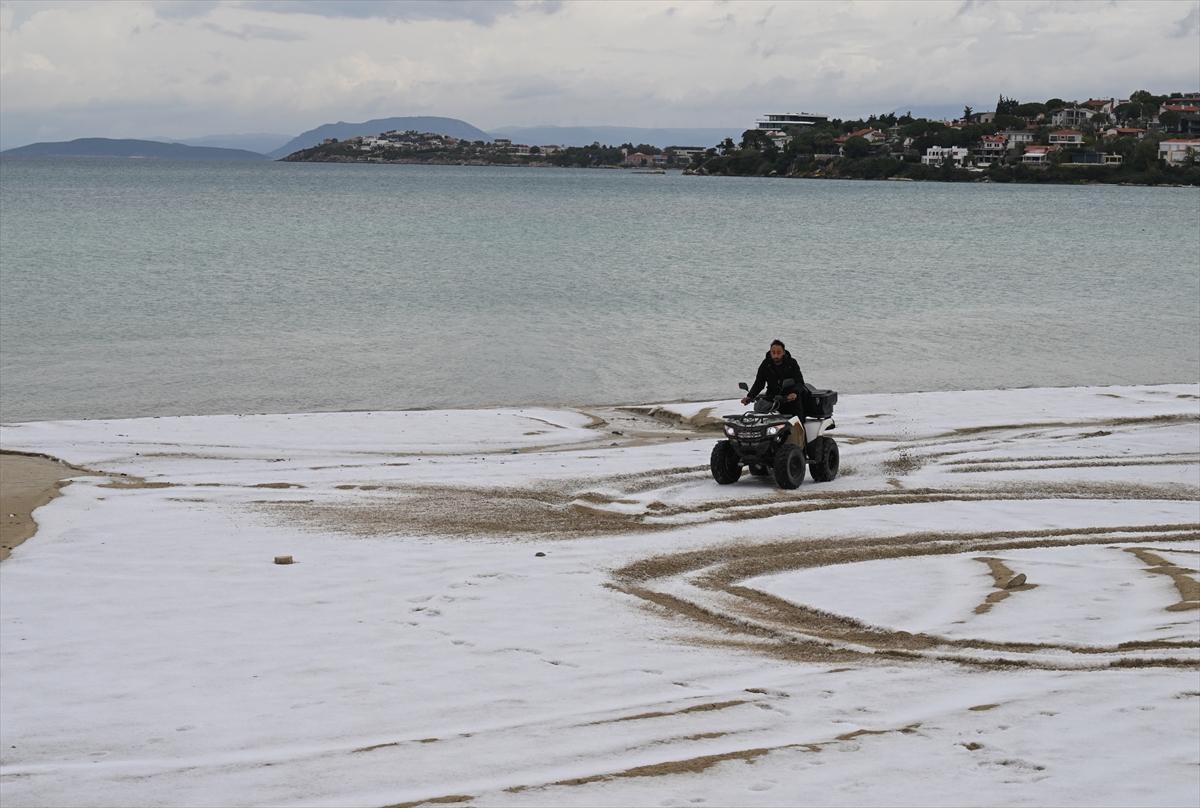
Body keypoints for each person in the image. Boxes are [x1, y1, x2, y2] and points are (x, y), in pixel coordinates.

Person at [741, 339, 807, 417]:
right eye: (773, 352)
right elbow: (759, 383)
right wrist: (750, 396)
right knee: (758, 418)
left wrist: (794, 393)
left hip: (790, 399)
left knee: (798, 421)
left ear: (783, 352)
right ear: (770, 352)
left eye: (778, 353)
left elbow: (799, 381)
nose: (776, 356)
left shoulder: (791, 363)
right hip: (772, 399)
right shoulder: (766, 364)